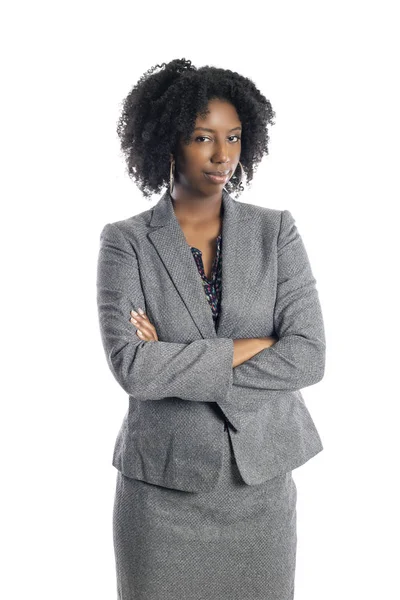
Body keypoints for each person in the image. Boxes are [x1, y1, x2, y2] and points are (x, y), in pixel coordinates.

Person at [96, 58, 326, 600]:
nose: (222, 156)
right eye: (203, 138)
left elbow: (309, 356)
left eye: (234, 138)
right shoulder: (125, 241)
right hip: (161, 495)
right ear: (168, 143)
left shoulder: (276, 232)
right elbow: (133, 370)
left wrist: (176, 359)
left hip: (261, 488)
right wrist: (251, 347)